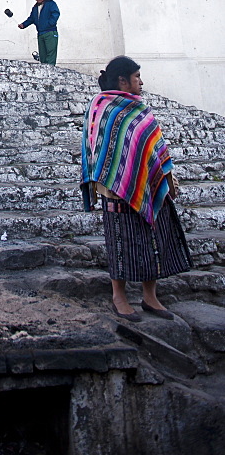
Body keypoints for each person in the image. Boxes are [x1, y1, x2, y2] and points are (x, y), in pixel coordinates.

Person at [81, 56, 192, 321]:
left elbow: (153, 142)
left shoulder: (140, 108)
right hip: (116, 187)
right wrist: (109, 176)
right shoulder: (101, 106)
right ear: (122, 80)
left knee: (154, 238)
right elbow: (95, 144)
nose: (141, 82)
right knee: (121, 241)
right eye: (136, 77)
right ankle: (118, 296)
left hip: (149, 183)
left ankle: (150, 296)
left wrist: (163, 175)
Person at [18, 0, 60, 64]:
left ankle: (51, 72)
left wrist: (49, 24)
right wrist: (23, 25)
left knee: (50, 55)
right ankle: (44, 71)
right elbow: (31, 19)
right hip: (40, 34)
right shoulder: (35, 8)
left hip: (50, 32)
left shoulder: (51, 4)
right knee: (42, 55)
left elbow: (56, 14)